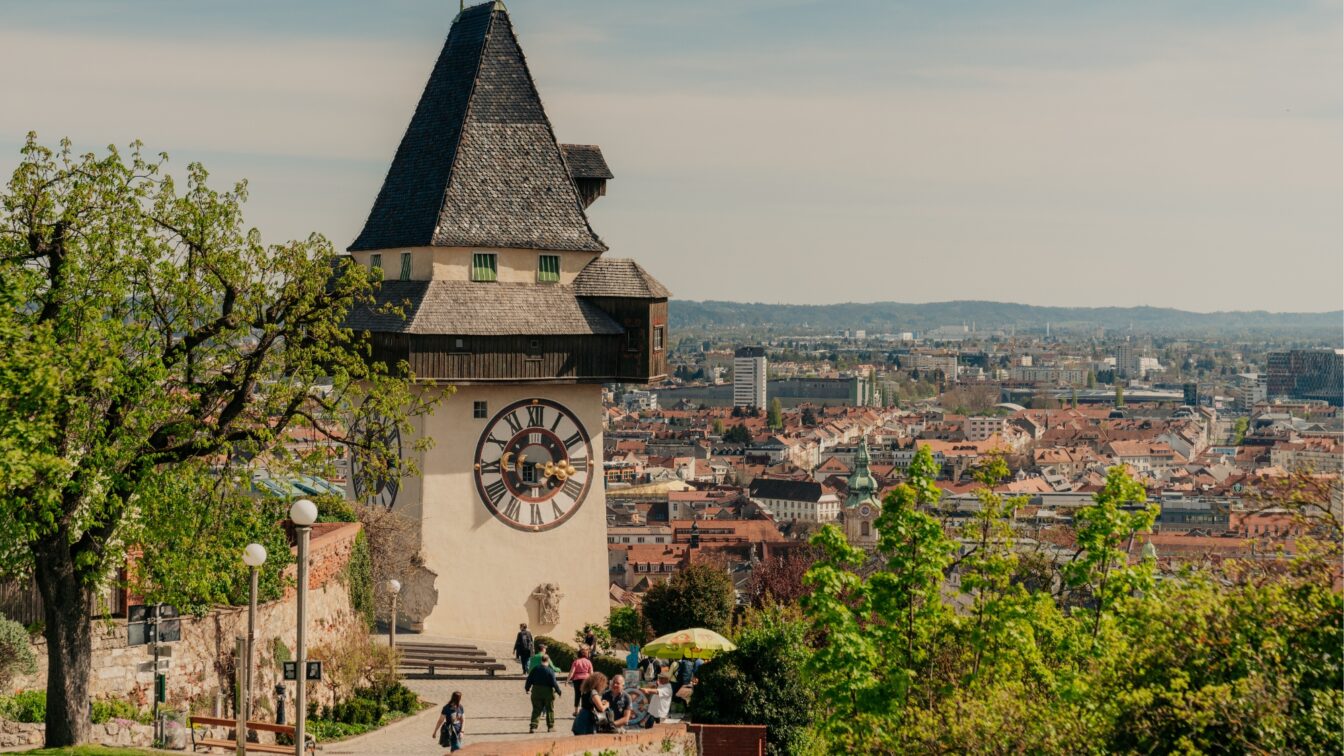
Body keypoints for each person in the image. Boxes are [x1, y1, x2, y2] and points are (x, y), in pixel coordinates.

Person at [525, 653, 563, 733]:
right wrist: (559, 691)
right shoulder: (550, 670)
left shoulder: (535, 669)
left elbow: (529, 679)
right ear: (548, 661)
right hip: (547, 691)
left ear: (541, 660)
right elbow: (554, 682)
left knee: (536, 709)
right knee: (549, 709)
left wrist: (527, 688)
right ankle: (550, 726)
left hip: (536, 690)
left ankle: (533, 727)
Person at [571, 672, 609, 736]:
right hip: (587, 718)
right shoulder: (593, 692)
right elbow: (601, 709)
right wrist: (607, 705)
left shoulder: (586, 690)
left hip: (581, 715)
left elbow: (589, 702)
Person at [566, 647, 594, 716]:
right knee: (586, 695)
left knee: (577, 694)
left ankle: (576, 711)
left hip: (577, 679)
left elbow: (572, 672)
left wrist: (567, 680)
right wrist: (593, 681)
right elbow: (591, 673)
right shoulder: (588, 662)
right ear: (586, 655)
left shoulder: (576, 661)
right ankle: (585, 710)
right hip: (586, 679)